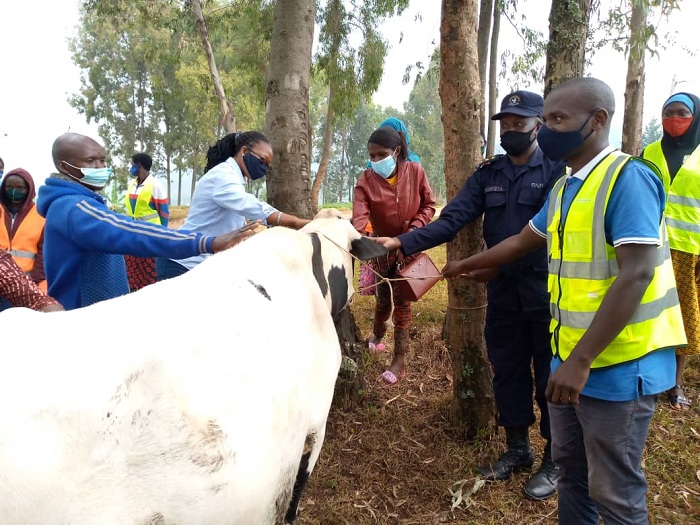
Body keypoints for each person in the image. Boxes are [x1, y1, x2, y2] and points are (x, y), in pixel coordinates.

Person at [442, 77, 686, 524]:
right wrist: (463, 266)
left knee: (614, 493)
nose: (548, 129)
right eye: (548, 118)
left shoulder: (627, 180)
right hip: (571, 358)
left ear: (597, 121)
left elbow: (637, 273)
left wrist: (580, 361)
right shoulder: (565, 188)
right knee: (573, 478)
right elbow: (521, 241)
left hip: (617, 367)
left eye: (557, 119)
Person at [375, 91, 566, 500]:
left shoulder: (557, 172)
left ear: (539, 125)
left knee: (548, 376)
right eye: (505, 125)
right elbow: (453, 220)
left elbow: (543, 234)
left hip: (545, 290)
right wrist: (402, 242)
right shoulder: (489, 174)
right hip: (502, 291)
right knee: (507, 368)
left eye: (519, 123)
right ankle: (518, 449)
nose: (510, 131)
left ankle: (556, 458)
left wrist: (466, 266)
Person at [36, 133, 257, 311]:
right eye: (90, 161)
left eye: (102, 160)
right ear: (64, 167)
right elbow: (127, 230)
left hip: (97, 316)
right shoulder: (74, 208)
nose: (100, 167)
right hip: (84, 321)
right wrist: (206, 242)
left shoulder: (81, 202)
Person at [156, 131, 310, 281]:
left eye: (267, 166)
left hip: (200, 263)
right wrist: (297, 222)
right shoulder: (223, 176)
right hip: (183, 265)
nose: (264, 168)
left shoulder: (234, 178)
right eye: (262, 161)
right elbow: (254, 208)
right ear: (244, 151)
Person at [352, 127, 436, 385]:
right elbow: (359, 219)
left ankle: (399, 359)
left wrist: (411, 233)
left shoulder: (415, 172)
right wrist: (366, 236)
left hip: (409, 249)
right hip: (380, 252)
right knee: (382, 301)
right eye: (372, 156)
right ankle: (377, 335)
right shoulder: (365, 181)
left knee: (402, 304)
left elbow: (428, 205)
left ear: (397, 151)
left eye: (381, 154)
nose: (376, 161)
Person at [642, 92, 700, 411]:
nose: (674, 119)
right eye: (668, 113)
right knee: (649, 308)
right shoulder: (649, 151)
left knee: (684, 315)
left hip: (689, 249)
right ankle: (650, 376)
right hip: (649, 243)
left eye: (682, 112)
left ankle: (676, 382)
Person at [124, 152, 170, 291]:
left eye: (132, 164)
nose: (131, 167)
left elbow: (164, 212)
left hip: (150, 236)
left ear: (139, 165)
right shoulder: (132, 184)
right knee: (132, 271)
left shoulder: (155, 185)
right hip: (132, 234)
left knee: (149, 273)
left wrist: (163, 234)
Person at [0, 168, 48, 298]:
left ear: (29, 189)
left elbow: (43, 253)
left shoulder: (41, 215)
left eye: (20, 188)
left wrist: (32, 284)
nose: (14, 191)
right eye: (9, 187)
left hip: (26, 283)